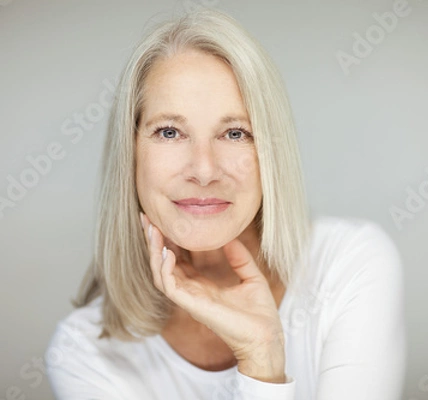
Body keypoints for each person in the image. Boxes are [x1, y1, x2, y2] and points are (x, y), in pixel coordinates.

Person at [45, 8, 406, 400]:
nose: (204, 170)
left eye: (235, 133)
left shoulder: (348, 264)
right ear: (130, 154)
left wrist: (261, 358)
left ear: (270, 151)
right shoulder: (83, 351)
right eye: (169, 132)